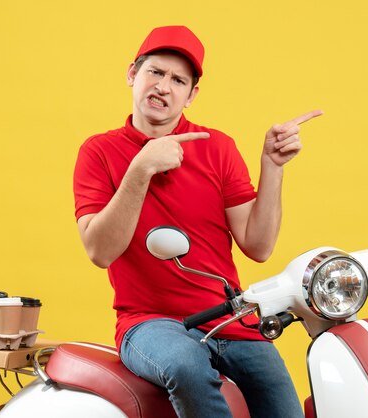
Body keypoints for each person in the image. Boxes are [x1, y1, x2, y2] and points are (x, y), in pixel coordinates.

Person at [73, 25, 321, 418]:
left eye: (178, 80)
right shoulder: (99, 152)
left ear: (191, 95)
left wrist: (272, 168)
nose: (163, 87)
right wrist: (140, 170)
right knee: (186, 366)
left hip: (230, 319)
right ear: (132, 75)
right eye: (155, 72)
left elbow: (258, 246)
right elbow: (100, 251)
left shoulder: (217, 147)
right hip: (147, 323)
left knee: (278, 395)